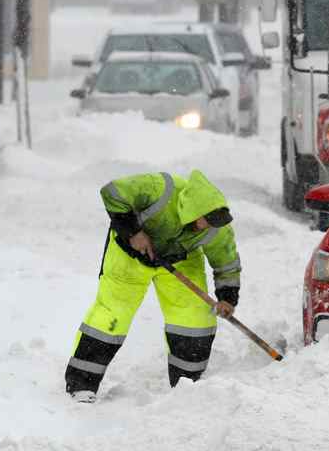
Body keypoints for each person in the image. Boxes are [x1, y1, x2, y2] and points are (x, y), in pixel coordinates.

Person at [65, 170, 241, 404]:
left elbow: (226, 262)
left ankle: (189, 387)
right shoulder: (160, 189)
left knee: (195, 318)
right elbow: (112, 191)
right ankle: (81, 384)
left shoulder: (215, 227)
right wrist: (134, 231)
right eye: (205, 222)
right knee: (112, 315)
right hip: (130, 252)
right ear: (194, 210)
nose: (207, 228)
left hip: (179, 258)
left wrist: (228, 297)